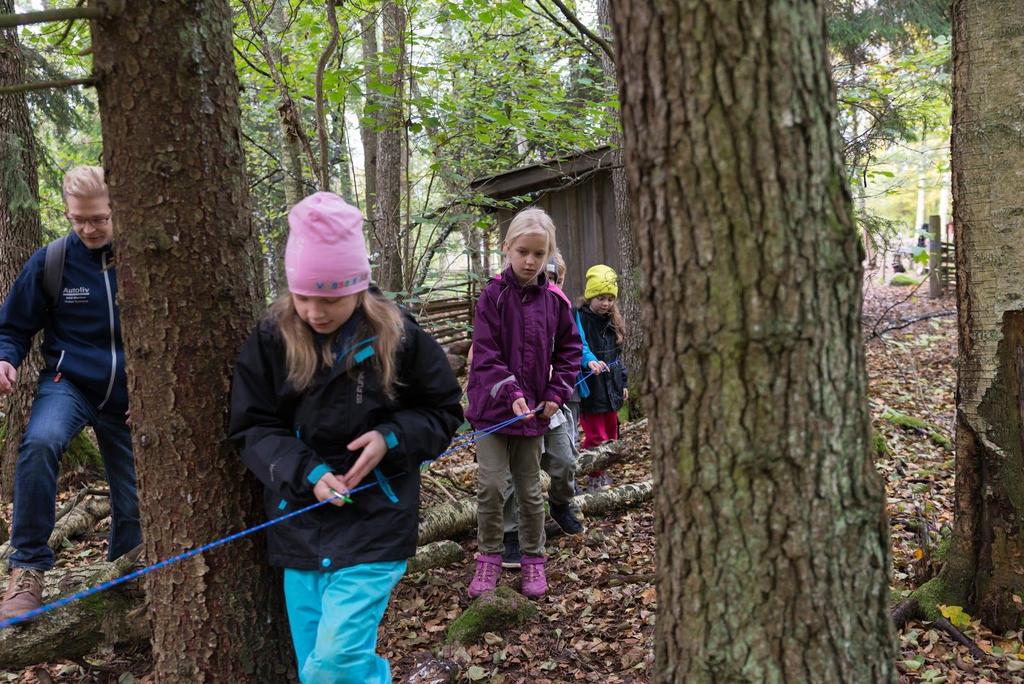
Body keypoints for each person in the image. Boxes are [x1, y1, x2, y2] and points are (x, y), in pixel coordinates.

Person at [228, 192, 462, 683]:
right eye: (304, 295)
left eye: (330, 297)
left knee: (333, 666)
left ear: (357, 286)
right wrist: (306, 472)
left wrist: (390, 437)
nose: (315, 310)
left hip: (376, 519)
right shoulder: (271, 338)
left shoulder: (398, 335)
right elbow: (252, 426)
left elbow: (442, 411)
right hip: (300, 524)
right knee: (317, 666)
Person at [0, 166, 140, 621]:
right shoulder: (53, 261)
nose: (88, 228)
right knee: (40, 443)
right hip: (70, 384)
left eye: (98, 218)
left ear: (117, 208)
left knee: (132, 495)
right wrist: (6, 357)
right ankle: (27, 570)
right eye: (78, 219)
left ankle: (125, 574)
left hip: (131, 396)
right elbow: (14, 327)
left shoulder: (141, 258)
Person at [465, 208, 581, 599]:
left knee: (531, 490)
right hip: (492, 412)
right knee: (493, 486)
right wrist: (511, 392)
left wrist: (554, 394)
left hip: (534, 414)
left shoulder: (556, 301)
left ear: (549, 254)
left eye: (538, 253)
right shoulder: (492, 297)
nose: (530, 261)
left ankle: (533, 559)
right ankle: (489, 557)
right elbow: (485, 352)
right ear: (507, 249)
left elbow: (569, 351)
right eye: (522, 252)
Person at [500, 252, 594, 569]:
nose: (548, 281)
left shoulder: (560, 306)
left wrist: (561, 387)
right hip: (519, 406)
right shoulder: (508, 301)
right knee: (516, 475)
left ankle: (560, 502)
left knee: (565, 459)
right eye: (544, 275)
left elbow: (573, 348)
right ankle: (511, 534)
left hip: (553, 403)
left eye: (553, 276)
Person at [576, 265, 628, 490]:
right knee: (595, 435)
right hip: (591, 389)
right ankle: (593, 474)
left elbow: (618, 357)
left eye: (609, 298)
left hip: (611, 387)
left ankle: (602, 471)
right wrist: (589, 363)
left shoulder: (612, 321)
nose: (605, 303)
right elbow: (577, 347)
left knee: (611, 435)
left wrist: (623, 383)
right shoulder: (581, 318)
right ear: (590, 296)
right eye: (600, 298)